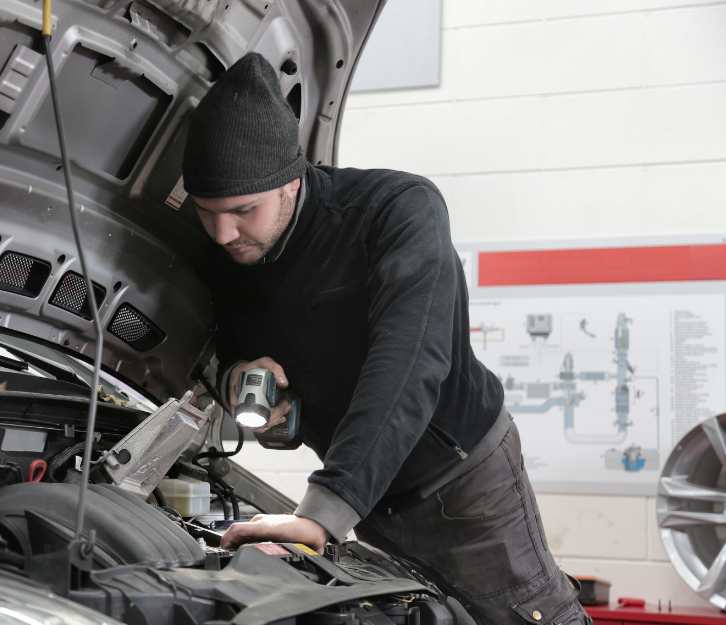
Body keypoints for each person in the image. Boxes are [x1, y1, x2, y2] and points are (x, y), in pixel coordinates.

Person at [182, 52, 589, 625]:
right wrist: (240, 383)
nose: (223, 233)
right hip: (365, 495)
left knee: (524, 617)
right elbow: (221, 344)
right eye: (206, 212)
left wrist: (323, 513)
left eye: (243, 211)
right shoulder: (226, 252)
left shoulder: (395, 212)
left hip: (462, 483)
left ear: (292, 183)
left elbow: (408, 363)